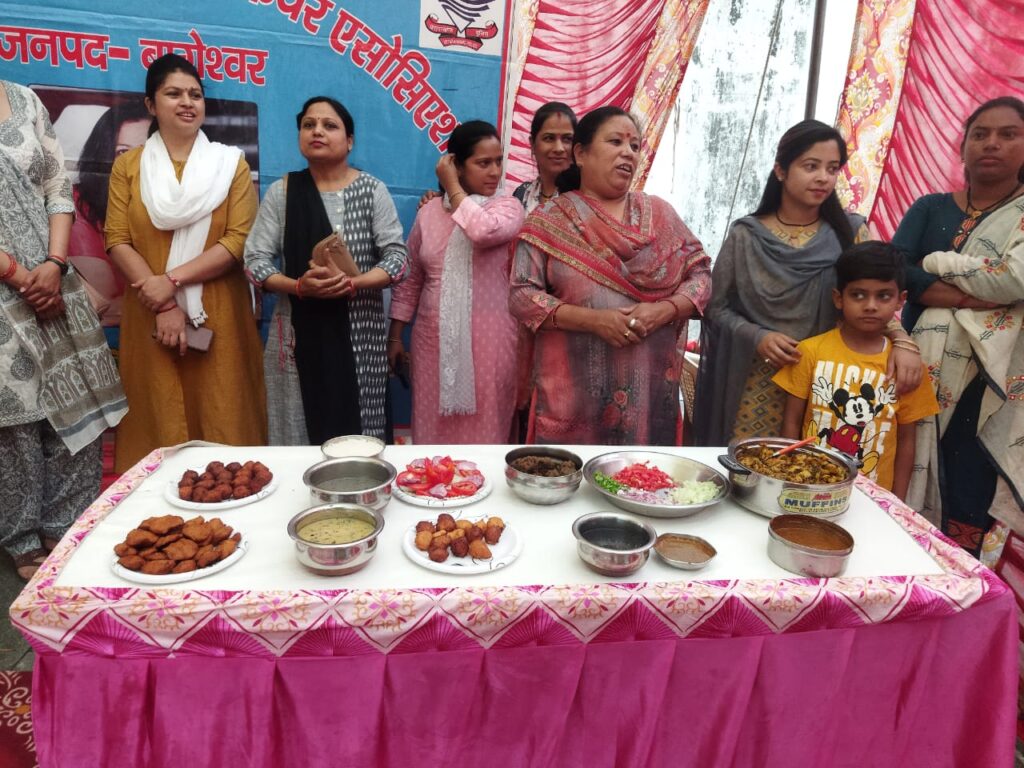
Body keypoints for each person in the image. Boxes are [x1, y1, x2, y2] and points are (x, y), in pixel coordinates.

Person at [694, 119, 922, 446]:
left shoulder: (851, 233)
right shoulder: (746, 236)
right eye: (811, 166)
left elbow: (876, 297)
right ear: (781, 170)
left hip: (829, 381)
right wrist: (757, 336)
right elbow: (716, 308)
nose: (823, 178)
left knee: (820, 464)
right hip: (760, 378)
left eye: (832, 168)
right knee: (752, 464)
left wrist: (903, 343)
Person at [509, 106, 711, 445]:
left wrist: (664, 310)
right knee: (570, 475)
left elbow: (702, 278)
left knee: (642, 473)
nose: (628, 153)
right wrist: (594, 321)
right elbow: (520, 295)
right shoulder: (548, 221)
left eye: (634, 146)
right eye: (615, 142)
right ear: (580, 154)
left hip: (648, 406)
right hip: (572, 403)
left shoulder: (660, 215)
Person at [106, 53, 266, 472]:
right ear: (150, 104)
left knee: (223, 416)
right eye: (173, 93)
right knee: (157, 418)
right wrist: (163, 302)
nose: (187, 102)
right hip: (150, 313)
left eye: (195, 94)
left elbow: (237, 241)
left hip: (217, 313)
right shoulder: (129, 167)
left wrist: (171, 281)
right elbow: (117, 239)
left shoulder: (230, 165)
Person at [0, 80, 126, 580]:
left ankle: (68, 524)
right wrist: (18, 275)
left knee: (77, 405)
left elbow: (56, 187)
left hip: (54, 277)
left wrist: (54, 264)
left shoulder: (24, 101)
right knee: (16, 421)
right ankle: (22, 538)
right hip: (8, 289)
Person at [894, 96, 1024, 555]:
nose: (992, 144)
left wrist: (935, 270)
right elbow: (895, 270)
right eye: (980, 134)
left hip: (991, 380)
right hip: (915, 365)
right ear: (963, 145)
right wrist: (970, 296)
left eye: (1009, 134)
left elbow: (1014, 280)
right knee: (904, 466)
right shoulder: (930, 208)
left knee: (969, 484)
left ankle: (957, 578)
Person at [244, 96, 407, 445]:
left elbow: (397, 259)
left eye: (329, 125)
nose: (317, 131)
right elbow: (255, 261)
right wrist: (298, 286)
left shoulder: (372, 191)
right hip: (297, 336)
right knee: (297, 435)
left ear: (349, 141)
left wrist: (354, 283)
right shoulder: (283, 192)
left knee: (359, 437)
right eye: (309, 125)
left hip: (360, 337)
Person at [388, 120, 525, 444]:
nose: (495, 172)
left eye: (498, 161)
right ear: (457, 165)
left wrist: (452, 187)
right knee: (431, 429)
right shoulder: (429, 213)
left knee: (488, 429)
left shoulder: (508, 208)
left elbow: (482, 231)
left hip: (491, 342)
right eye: (483, 163)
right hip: (432, 343)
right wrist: (395, 337)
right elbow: (411, 279)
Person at [772, 242, 939, 500]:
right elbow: (791, 422)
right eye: (858, 295)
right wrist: (789, 478)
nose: (870, 305)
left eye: (883, 296)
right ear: (839, 298)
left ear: (900, 300)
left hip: (873, 497)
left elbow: (907, 441)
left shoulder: (907, 368)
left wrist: (896, 501)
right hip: (809, 487)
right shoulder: (811, 351)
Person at [71, 100, 151, 327]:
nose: (134, 162)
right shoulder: (79, 204)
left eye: (146, 150)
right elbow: (104, 305)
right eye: (122, 152)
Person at [512, 102, 577, 212]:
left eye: (567, 139)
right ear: (532, 144)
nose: (559, 148)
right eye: (549, 138)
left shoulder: (586, 197)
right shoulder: (522, 194)